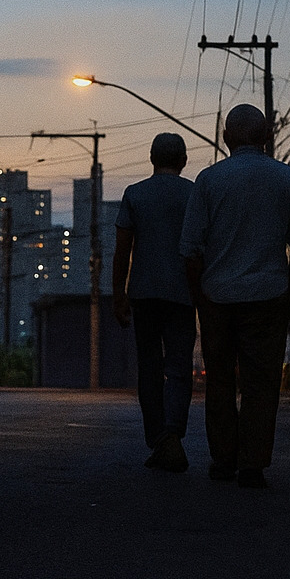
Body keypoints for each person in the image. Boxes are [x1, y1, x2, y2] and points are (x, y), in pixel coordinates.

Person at [179, 104, 290, 489]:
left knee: (220, 380)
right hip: (269, 295)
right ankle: (252, 464)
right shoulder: (288, 178)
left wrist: (200, 296)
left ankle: (224, 460)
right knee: (261, 382)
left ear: (225, 138)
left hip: (218, 297)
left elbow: (190, 250)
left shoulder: (208, 181)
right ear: (267, 136)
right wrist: (286, 289)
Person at [112, 133, 196, 473]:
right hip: (183, 294)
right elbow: (202, 247)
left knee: (149, 366)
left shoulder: (135, 194)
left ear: (151, 158)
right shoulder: (194, 194)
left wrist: (119, 294)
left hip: (144, 293)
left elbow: (122, 250)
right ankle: (172, 434)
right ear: (184, 160)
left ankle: (160, 439)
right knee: (179, 366)